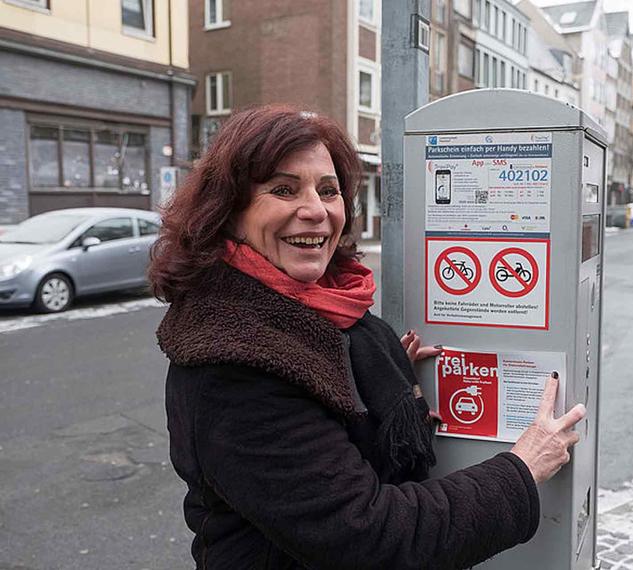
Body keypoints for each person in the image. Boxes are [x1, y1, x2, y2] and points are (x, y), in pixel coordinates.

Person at [150, 104, 586, 570]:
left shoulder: (324, 311)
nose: (315, 211)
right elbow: (370, 538)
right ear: (229, 211)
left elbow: (317, 381)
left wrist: (373, 377)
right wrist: (520, 470)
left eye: (328, 190)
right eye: (283, 190)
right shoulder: (231, 367)